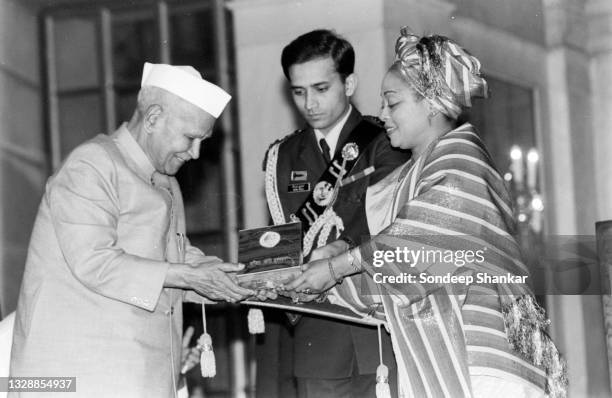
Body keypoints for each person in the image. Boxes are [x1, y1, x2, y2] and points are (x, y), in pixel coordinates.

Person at [286, 28, 568, 398]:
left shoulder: (461, 161)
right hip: (454, 359)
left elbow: (414, 243)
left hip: (482, 364)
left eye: (393, 102)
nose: (382, 114)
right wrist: (330, 264)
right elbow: (404, 266)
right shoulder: (420, 170)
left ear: (432, 103)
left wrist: (336, 269)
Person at [9, 62, 269, 397]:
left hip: (139, 376)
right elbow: (95, 262)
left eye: (202, 141)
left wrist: (228, 278)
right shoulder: (92, 165)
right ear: (153, 118)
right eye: (191, 138)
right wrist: (189, 276)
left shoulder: (167, 182)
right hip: (79, 377)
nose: (196, 153)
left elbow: (174, 258)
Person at [259, 29, 409, 398]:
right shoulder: (281, 157)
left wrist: (340, 246)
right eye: (299, 91)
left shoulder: (385, 141)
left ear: (349, 82)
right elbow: (280, 240)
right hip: (317, 336)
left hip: (377, 329)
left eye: (321, 88)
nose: (310, 103)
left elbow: (391, 223)